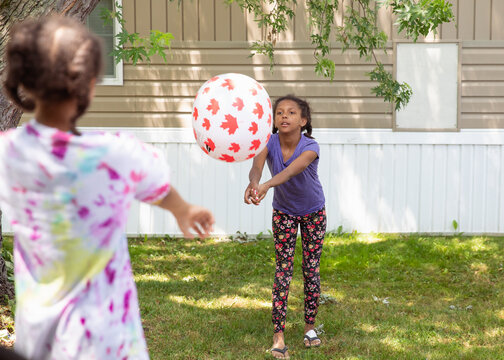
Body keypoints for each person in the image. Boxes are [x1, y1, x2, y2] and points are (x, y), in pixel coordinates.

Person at [0, 15, 214, 360]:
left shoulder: (8, 153)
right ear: (90, 84)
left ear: (23, 79)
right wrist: (184, 210)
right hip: (110, 342)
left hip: (38, 342)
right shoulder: (117, 153)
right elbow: (157, 186)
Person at [244, 95, 326, 359]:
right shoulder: (267, 142)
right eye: (279, 112)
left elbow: (291, 171)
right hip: (284, 213)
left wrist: (266, 186)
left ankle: (310, 328)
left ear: (303, 121)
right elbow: (256, 166)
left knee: (310, 269)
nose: (284, 116)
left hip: (313, 213)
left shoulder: (311, 146)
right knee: (283, 270)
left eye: (291, 112)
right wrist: (254, 183)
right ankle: (278, 335)